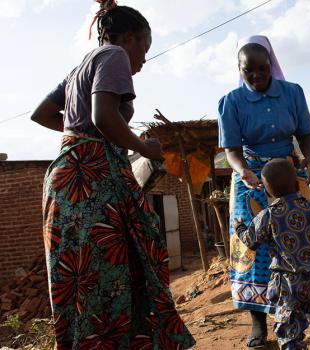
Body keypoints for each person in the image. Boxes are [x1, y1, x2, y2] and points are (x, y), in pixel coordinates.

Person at [30, 1, 195, 348]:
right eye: (145, 48)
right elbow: (105, 117)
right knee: (111, 276)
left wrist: (80, 132)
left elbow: (42, 113)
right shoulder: (114, 55)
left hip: (67, 178)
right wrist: (142, 147)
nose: (144, 60)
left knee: (83, 281)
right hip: (92, 184)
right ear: (128, 38)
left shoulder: (78, 69)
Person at [218, 35, 310, 348]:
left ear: (271, 65)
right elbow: (232, 149)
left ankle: (303, 309)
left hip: (288, 176)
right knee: (252, 246)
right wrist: (242, 171)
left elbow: (306, 134)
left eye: (262, 69)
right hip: (250, 179)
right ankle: (258, 322)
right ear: (240, 69)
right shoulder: (231, 101)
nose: (257, 76)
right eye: (249, 71)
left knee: (297, 241)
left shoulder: (292, 92)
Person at [233, 159, 310, 350]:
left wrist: (239, 227)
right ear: (296, 184)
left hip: (287, 283)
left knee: (289, 328)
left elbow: (251, 241)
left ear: (267, 192)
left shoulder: (267, 215)